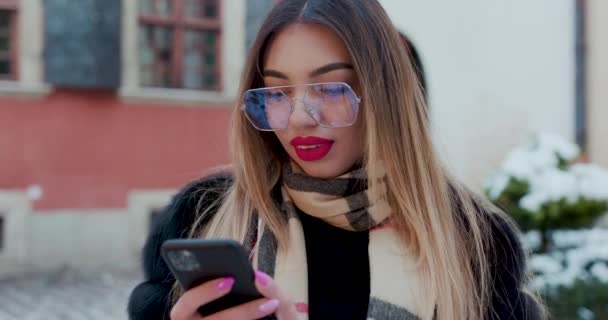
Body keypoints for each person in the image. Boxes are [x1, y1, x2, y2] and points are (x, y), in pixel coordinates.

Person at [128, 0, 545, 319]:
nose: (299, 118)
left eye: (331, 89)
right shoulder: (204, 217)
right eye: (277, 92)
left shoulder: (472, 240)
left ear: (386, 96)